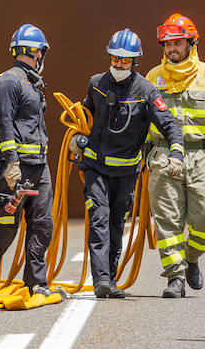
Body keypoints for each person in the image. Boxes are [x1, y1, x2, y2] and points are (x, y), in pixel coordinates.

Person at [78, 29, 185, 298]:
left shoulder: (147, 92)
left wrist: (177, 153)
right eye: (115, 58)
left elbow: (170, 125)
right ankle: (102, 280)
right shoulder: (96, 83)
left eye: (125, 60)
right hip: (95, 167)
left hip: (126, 172)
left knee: (116, 224)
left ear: (135, 61)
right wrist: (77, 139)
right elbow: (84, 116)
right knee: (100, 219)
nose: (118, 64)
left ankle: (111, 278)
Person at [144, 13, 205, 298]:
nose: (172, 48)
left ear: (191, 43)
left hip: (198, 155)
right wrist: (141, 157)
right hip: (163, 155)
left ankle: (191, 257)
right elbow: (143, 123)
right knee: (167, 219)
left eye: (178, 43)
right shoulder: (153, 77)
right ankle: (175, 278)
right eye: (167, 44)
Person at [0, 25, 56, 299]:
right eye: (42, 52)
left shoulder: (32, 82)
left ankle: (36, 283)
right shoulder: (8, 82)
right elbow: (4, 124)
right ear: (37, 52)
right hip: (18, 167)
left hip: (39, 165)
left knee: (42, 225)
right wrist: (11, 163)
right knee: (5, 226)